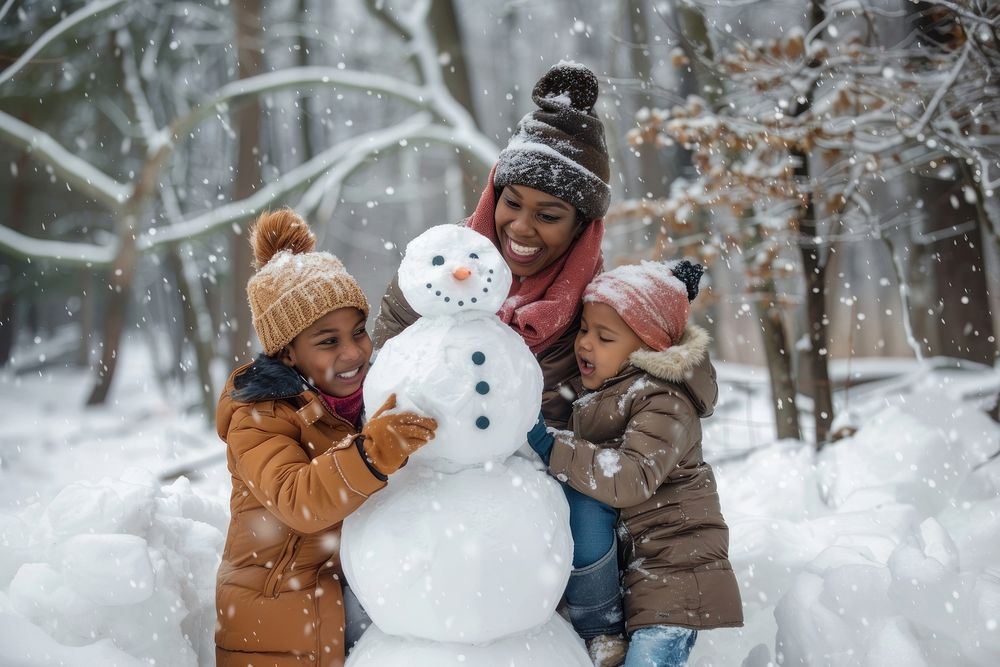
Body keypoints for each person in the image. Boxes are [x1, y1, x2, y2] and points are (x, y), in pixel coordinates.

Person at [214, 209, 438, 667]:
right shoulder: (258, 415)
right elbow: (300, 500)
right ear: (288, 352)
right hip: (279, 620)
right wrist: (374, 453)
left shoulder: (367, 399)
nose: (354, 352)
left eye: (358, 332)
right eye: (328, 341)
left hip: (346, 601)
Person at [372, 60, 611, 430]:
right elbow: (379, 388)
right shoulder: (435, 269)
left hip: (536, 485)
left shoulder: (601, 314)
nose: (520, 227)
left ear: (581, 227)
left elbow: (615, 432)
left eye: (547, 217)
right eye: (512, 203)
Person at [527, 260, 743, 667]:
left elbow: (630, 477)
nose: (585, 344)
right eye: (585, 329)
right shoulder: (606, 390)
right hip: (639, 566)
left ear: (649, 349)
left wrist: (552, 446)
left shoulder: (665, 398)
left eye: (604, 337)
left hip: (673, 568)